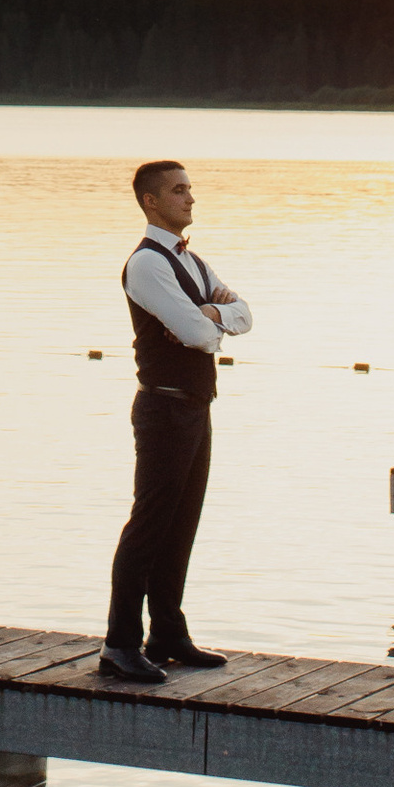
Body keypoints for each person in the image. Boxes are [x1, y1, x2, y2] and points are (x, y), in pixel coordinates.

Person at [100, 159, 251, 684]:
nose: (190, 198)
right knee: (149, 525)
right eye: (179, 190)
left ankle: (166, 633)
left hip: (194, 406)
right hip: (163, 408)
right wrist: (210, 319)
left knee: (182, 523)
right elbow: (198, 335)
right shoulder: (146, 264)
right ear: (151, 201)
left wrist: (212, 314)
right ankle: (120, 645)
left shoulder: (193, 261)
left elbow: (245, 315)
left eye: (190, 189)